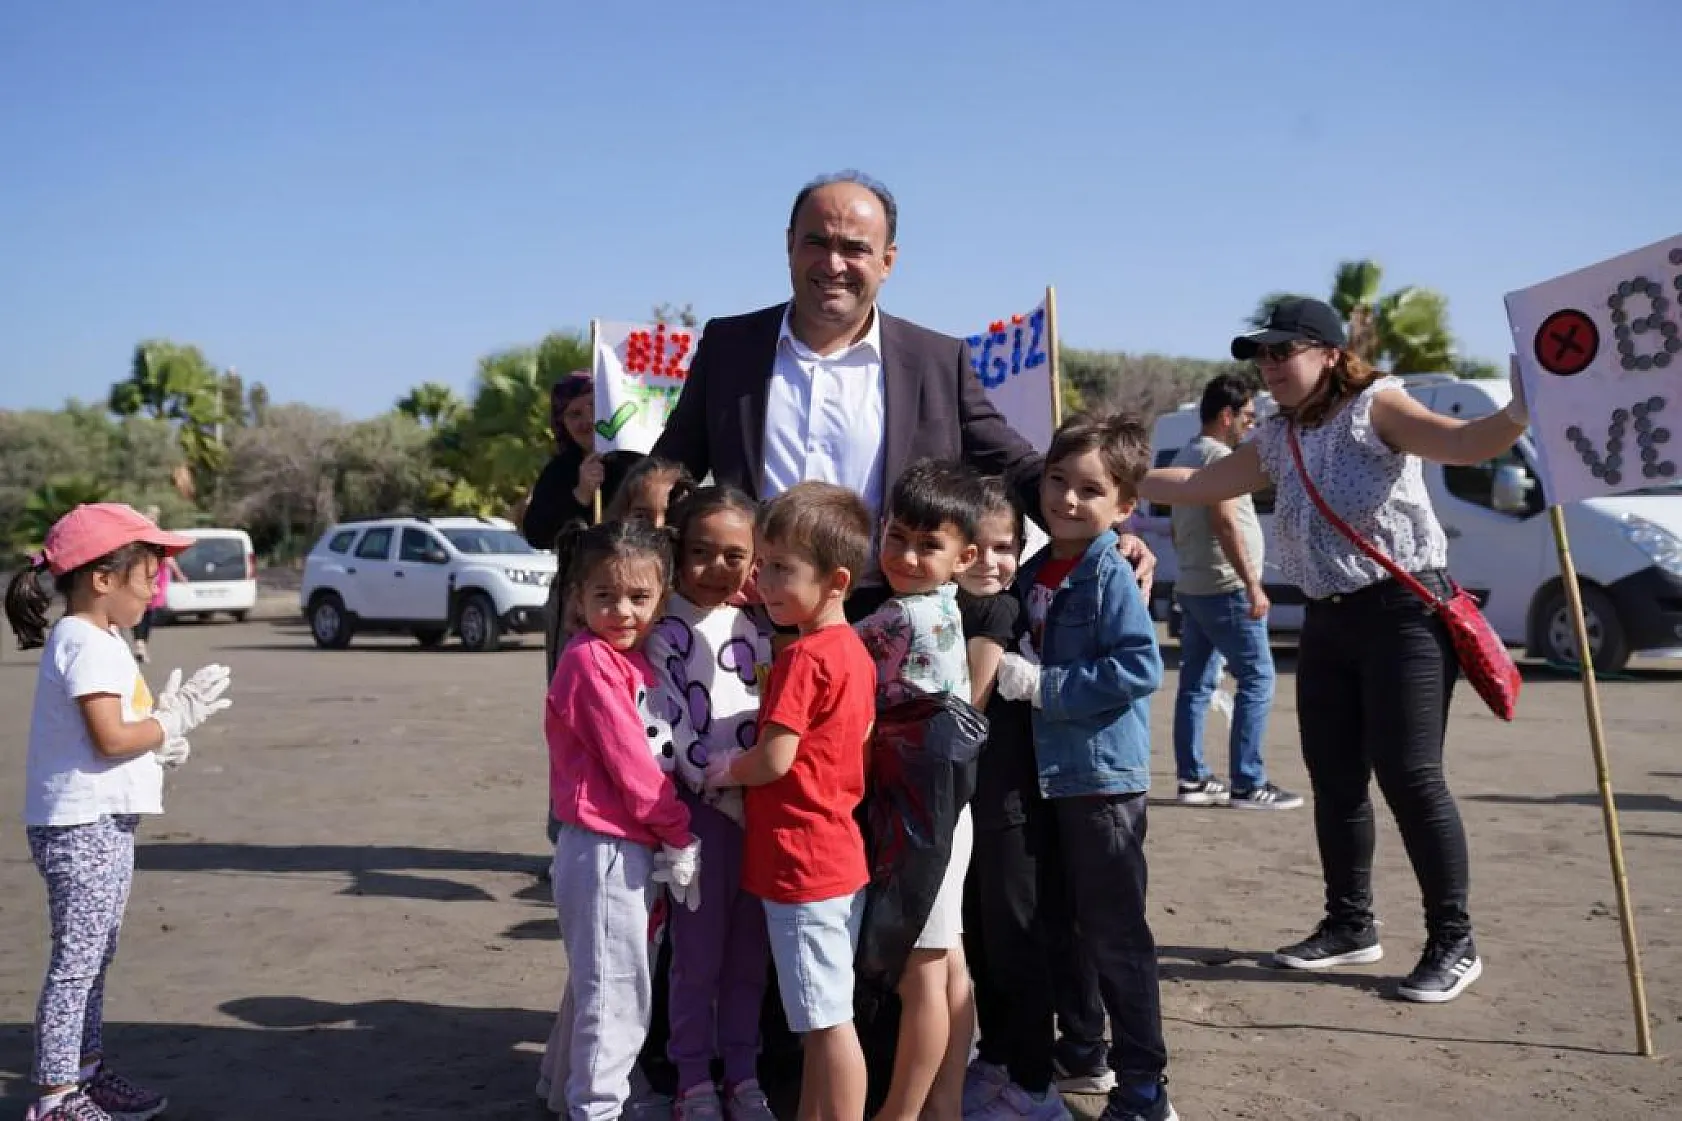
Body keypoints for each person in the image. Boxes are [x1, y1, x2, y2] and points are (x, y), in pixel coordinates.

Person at [1138, 297, 1531, 1003]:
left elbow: (1464, 443)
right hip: (1328, 620)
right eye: (1261, 355)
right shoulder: (1279, 436)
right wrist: (1104, 485)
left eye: (1281, 351)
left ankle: (1454, 941)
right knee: (1336, 777)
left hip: (1403, 614)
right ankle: (1350, 925)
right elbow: (1200, 485)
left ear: (1327, 351)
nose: (1268, 366)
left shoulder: (1378, 404)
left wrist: (1518, 415)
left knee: (1410, 775)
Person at [650, 170, 1157, 618]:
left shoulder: (938, 361)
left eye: (855, 248)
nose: (833, 262)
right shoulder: (729, 347)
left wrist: (1109, 537)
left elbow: (1021, 468)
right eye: (816, 242)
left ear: (887, 260)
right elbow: (669, 469)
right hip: (749, 618)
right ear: (789, 245)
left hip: (886, 623)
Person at [5, 503, 234, 1121]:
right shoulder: (83, 638)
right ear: (101, 579)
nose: (154, 590)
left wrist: (160, 743)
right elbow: (110, 737)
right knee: (76, 962)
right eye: (147, 576)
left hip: (103, 820)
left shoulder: (103, 638)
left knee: (95, 953)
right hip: (79, 827)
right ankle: (55, 1098)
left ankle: (85, 1072)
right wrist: (170, 720)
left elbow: (112, 739)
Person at [993, 414, 1175, 1121]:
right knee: (1064, 921)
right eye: (1057, 480)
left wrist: (1048, 687)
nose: (1067, 499)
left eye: (1090, 489)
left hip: (1101, 779)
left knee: (1116, 934)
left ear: (1124, 505)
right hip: (1053, 775)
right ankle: (1085, 1051)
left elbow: (1139, 665)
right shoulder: (1038, 567)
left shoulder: (1109, 570)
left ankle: (1146, 1087)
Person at [702, 482, 877, 1121]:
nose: (763, 580)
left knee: (828, 1024)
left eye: (781, 568)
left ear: (834, 579)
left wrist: (724, 769)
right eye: (763, 562)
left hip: (802, 866)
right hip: (834, 854)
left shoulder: (804, 656)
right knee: (822, 1017)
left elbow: (774, 758)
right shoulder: (852, 649)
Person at [540, 518, 700, 1121]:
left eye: (639, 597)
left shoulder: (631, 660)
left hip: (629, 846)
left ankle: (562, 1090)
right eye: (605, 596)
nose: (623, 611)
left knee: (596, 981)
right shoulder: (589, 662)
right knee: (616, 995)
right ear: (578, 599)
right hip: (608, 846)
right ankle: (597, 1108)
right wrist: (678, 831)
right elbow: (632, 765)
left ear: (662, 597)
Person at [851, 461, 983, 1121]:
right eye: (897, 536)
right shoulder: (946, 603)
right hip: (949, 808)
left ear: (964, 556)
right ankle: (945, 1107)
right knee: (948, 962)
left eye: (927, 545)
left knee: (922, 973)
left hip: (920, 814)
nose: (905, 555)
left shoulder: (894, 618)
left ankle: (898, 1113)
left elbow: (830, 662)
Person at [644, 486, 777, 1121]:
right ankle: (692, 1078)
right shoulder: (660, 634)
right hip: (698, 820)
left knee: (750, 954)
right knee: (696, 958)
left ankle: (743, 1073)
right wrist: (724, 776)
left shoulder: (757, 627)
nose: (719, 568)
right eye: (703, 552)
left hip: (759, 815)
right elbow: (669, 729)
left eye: (735, 555)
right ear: (677, 551)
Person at [1168, 374, 1301, 810]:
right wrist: (1252, 584)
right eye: (1247, 416)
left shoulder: (1186, 452)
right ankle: (1249, 781)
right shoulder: (1219, 458)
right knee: (1258, 678)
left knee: (1196, 685)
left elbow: (1179, 525)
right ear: (1226, 416)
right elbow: (1225, 521)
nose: (1251, 425)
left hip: (1194, 583)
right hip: (1224, 587)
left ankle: (1193, 778)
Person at [523, 373, 612, 551]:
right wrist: (580, 495)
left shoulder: (636, 460)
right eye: (575, 414)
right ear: (562, 423)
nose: (588, 420)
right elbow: (537, 535)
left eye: (594, 408)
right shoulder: (558, 471)